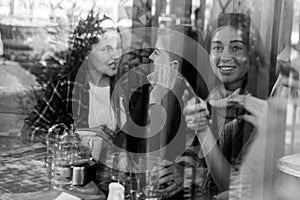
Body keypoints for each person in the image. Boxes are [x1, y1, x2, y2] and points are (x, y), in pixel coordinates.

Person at [181, 13, 270, 198]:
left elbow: (234, 187)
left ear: (251, 55)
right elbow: (191, 153)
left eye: (236, 47)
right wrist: (181, 172)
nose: (225, 56)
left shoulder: (258, 109)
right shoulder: (207, 97)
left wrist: (203, 131)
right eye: (217, 48)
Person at [20, 12, 123, 144]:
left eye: (119, 47)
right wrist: (71, 137)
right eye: (107, 49)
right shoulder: (66, 87)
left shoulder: (126, 87)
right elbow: (29, 132)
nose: (116, 55)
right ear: (87, 53)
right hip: (77, 164)